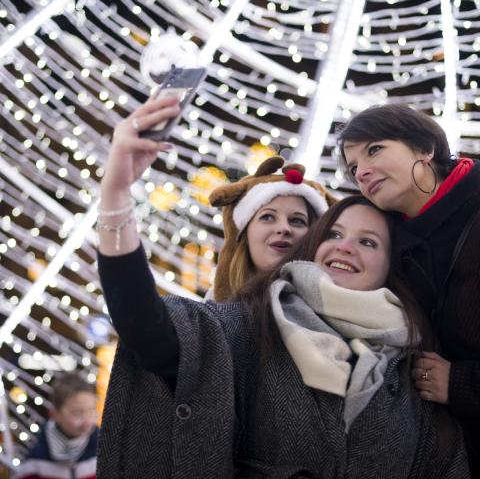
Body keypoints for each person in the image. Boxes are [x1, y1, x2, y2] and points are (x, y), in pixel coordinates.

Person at [97, 101, 469, 477]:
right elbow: (145, 327)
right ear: (313, 249)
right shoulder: (248, 326)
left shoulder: (416, 364)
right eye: (335, 234)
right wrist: (115, 193)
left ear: (392, 266)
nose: (344, 247)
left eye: (368, 242)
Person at [337, 103, 480, 475]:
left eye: (374, 149)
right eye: (353, 168)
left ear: (425, 147)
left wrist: (463, 384)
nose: (362, 171)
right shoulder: (384, 244)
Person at [207, 155, 336, 301]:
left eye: (297, 221)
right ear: (245, 233)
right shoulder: (212, 305)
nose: (284, 228)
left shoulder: (329, 309)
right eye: (267, 217)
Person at [16, 372, 98, 479]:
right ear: (54, 414)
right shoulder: (36, 461)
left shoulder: (104, 449)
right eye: (77, 413)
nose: (87, 421)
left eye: (91, 412)